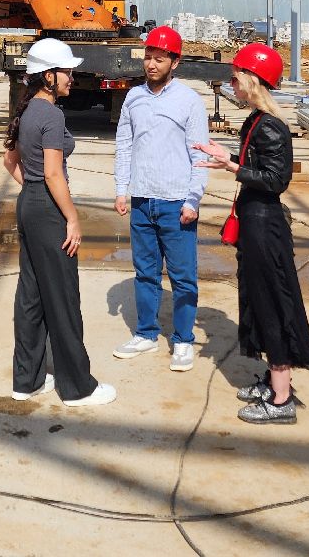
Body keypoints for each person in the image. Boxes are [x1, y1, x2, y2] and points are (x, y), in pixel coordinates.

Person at [194, 42, 309, 424]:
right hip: (254, 222)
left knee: (271, 303)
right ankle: (275, 379)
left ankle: (281, 400)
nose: (231, 84)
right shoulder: (255, 122)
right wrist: (225, 157)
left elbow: (276, 180)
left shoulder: (271, 128)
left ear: (252, 80)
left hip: (265, 225)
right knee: (257, 299)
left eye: (235, 78)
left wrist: (231, 165)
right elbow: (254, 166)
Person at [2, 38, 116, 407]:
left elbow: (9, 163)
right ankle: (77, 387)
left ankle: (27, 381)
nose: (72, 76)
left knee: (32, 295)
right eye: (66, 71)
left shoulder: (26, 111)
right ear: (48, 76)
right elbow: (54, 173)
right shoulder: (51, 115)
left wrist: (32, 191)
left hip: (29, 205)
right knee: (64, 297)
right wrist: (72, 217)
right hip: (48, 209)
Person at [111, 25, 211, 372]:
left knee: (183, 277)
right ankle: (146, 334)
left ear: (175, 62)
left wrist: (193, 199)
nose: (151, 64)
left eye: (159, 58)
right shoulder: (133, 97)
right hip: (141, 200)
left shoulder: (188, 101)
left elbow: (199, 155)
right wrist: (121, 189)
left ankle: (183, 340)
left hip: (175, 203)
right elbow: (124, 145)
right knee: (146, 272)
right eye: (148, 58)